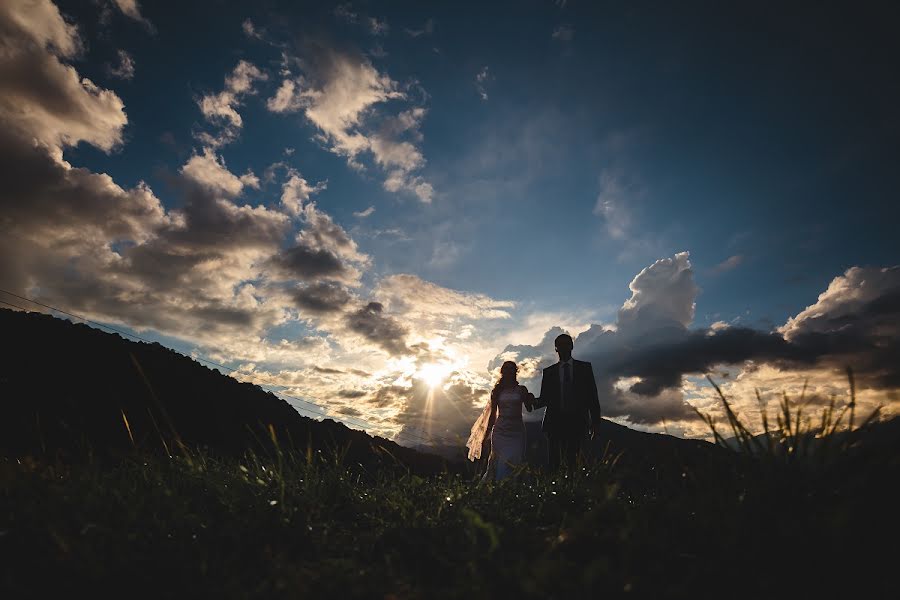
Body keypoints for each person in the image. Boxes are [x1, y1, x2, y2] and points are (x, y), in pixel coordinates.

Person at [532, 333, 602, 471]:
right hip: (554, 424)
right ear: (556, 349)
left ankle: (573, 491)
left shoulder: (585, 368)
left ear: (572, 346)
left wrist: (595, 422)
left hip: (578, 422)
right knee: (554, 464)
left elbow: (592, 396)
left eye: (566, 344)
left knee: (574, 463)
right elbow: (545, 398)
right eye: (560, 345)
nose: (564, 348)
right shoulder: (549, 372)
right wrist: (530, 400)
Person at [466, 361, 534, 481]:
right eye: (506, 369)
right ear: (502, 372)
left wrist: (529, 397)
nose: (509, 371)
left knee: (514, 459)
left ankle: (512, 488)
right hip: (500, 431)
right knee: (500, 462)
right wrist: (486, 434)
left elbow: (529, 409)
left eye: (511, 369)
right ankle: (500, 487)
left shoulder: (521, 389)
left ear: (515, 371)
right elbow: (492, 414)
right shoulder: (497, 391)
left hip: (517, 431)